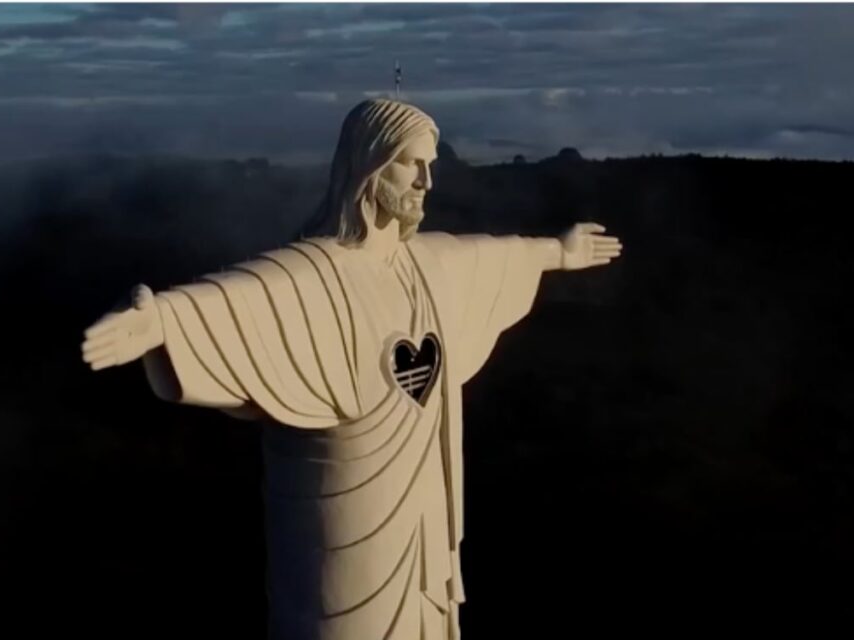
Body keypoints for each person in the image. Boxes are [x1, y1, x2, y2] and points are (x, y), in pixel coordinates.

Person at [81, 98, 622, 640]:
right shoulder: (314, 274)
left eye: (431, 165)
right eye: (411, 164)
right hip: (340, 532)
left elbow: (494, 256)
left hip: (423, 530)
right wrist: (163, 323)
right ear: (369, 164)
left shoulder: (429, 266)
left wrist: (559, 251)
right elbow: (241, 298)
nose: (427, 182)